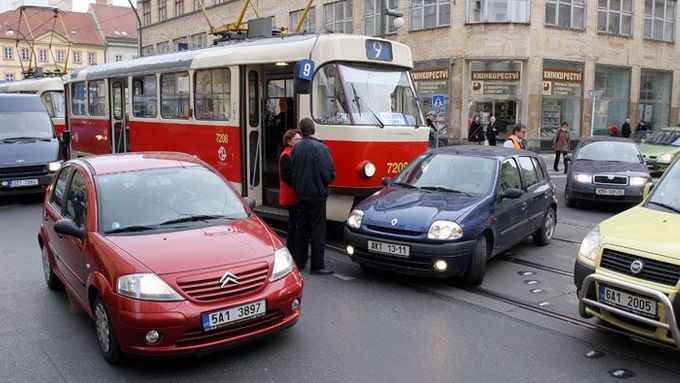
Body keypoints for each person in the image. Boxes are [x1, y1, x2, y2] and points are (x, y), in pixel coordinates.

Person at [291, 118, 336, 275]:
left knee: (301, 228)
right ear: (313, 129)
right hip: (317, 195)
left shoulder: (296, 148)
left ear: (301, 131)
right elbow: (328, 174)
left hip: (301, 194)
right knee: (318, 230)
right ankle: (317, 265)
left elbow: (293, 171)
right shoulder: (321, 148)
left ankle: (299, 261)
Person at [279, 129, 302, 256]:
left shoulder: (292, 153)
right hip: (291, 194)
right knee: (293, 224)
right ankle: (291, 249)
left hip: (294, 193)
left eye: (300, 139)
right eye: (296, 140)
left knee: (295, 223)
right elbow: (286, 176)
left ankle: (294, 248)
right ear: (289, 141)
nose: (299, 142)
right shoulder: (286, 155)